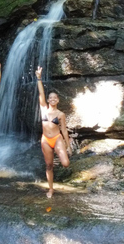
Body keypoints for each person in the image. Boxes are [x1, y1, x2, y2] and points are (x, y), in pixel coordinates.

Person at [35, 66, 71, 198]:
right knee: (49, 165)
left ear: (58, 100)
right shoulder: (43, 108)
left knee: (66, 164)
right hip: (45, 139)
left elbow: (64, 131)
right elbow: (41, 94)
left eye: (55, 98)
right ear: (48, 100)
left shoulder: (60, 114)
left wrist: (68, 146)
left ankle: (59, 154)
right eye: (50, 98)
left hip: (57, 138)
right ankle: (51, 189)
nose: (52, 99)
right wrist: (39, 78)